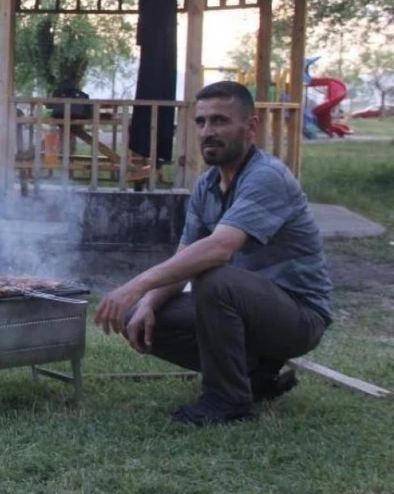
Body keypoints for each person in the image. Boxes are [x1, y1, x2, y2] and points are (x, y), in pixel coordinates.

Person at [93, 81, 332, 427]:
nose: (208, 131)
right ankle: (256, 376)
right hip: (250, 309)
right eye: (201, 122)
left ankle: (227, 402)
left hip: (299, 316)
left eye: (220, 121)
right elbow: (185, 257)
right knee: (143, 317)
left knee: (215, 278)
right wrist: (145, 303)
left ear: (250, 127)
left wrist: (136, 284)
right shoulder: (207, 185)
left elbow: (220, 248)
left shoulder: (266, 176)